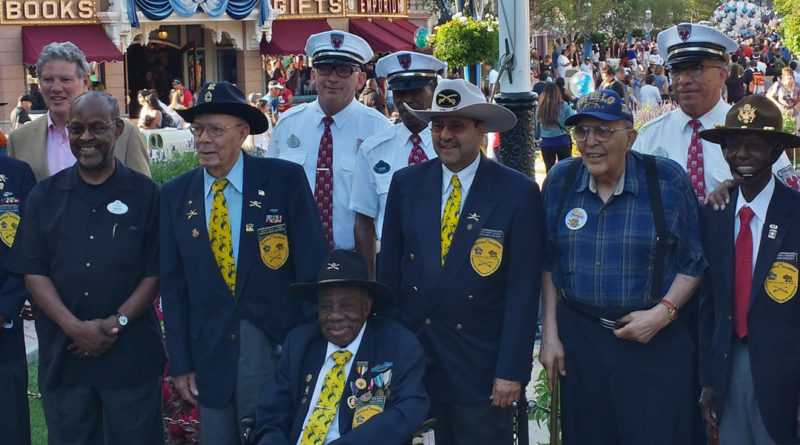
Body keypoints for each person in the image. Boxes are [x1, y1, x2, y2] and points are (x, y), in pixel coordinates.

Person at [161, 81, 328, 443]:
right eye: (198, 129)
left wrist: (304, 343)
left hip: (273, 346)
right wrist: (181, 362)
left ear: (242, 133)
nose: (204, 139)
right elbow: (173, 287)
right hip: (210, 352)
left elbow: (312, 267)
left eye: (215, 130)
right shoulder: (175, 195)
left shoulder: (284, 181)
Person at [380, 78, 543, 445]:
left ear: (480, 131)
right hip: (416, 364)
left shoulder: (517, 192)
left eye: (456, 126)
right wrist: (388, 357)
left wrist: (511, 371)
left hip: (480, 371)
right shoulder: (405, 184)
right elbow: (389, 278)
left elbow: (522, 292)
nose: (445, 135)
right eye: (438, 126)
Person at [539, 89, 706, 444]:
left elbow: (694, 261)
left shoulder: (665, 181)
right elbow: (549, 261)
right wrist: (550, 334)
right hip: (582, 343)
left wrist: (663, 313)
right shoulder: (560, 181)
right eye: (581, 131)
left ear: (630, 137)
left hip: (653, 343)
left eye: (603, 131)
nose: (590, 142)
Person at [7, 91, 166, 444]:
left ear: (118, 129)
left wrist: (116, 322)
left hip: (130, 357)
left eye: (97, 128)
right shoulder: (45, 196)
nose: (86, 138)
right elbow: (33, 272)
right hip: (65, 359)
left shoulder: (146, 194)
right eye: (77, 129)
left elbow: (154, 271)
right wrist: (74, 327)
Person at [698, 95, 800, 445]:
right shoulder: (714, 214)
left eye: (753, 146)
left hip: (787, 372)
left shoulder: (796, 213)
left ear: (775, 152)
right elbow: (708, 305)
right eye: (732, 145)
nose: (740, 156)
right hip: (731, 364)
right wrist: (709, 378)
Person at [254, 249, 429, 444]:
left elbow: (410, 408)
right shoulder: (299, 344)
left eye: (346, 306)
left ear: (366, 307)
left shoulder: (398, 346)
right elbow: (272, 414)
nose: (334, 316)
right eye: (326, 307)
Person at [634, 23, 799, 204]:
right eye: (676, 70)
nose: (683, 80)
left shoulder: (754, 132)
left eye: (696, 68)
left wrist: (745, 195)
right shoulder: (649, 136)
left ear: (722, 75)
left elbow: (789, 203)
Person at [267, 31, 392, 250]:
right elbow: (270, 190)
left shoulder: (378, 129)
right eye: (324, 69)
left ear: (360, 80)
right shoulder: (288, 124)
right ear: (313, 75)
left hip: (357, 260)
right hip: (296, 256)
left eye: (344, 71)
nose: (332, 78)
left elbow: (389, 204)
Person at [350, 51, 447, 277]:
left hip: (448, 260)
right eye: (401, 92)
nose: (407, 100)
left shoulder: (452, 146)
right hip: (395, 264)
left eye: (416, 91)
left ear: (434, 91)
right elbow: (364, 222)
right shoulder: (374, 150)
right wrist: (370, 283)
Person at [7, 42, 149, 182]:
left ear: (85, 82)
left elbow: (143, 195)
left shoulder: (125, 134)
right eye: (48, 80)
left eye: (65, 80)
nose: (56, 88)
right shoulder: (19, 140)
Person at [0, 156, 36, 445]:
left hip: (3, 329)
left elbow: (29, 246)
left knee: (9, 424)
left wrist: (4, 308)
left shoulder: (17, 174)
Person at [535, 82, 574, 172]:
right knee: (566, 170)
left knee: (549, 171)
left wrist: (538, 135)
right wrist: (567, 128)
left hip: (547, 143)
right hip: (563, 141)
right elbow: (572, 119)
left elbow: (537, 126)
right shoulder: (563, 105)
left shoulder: (540, 108)